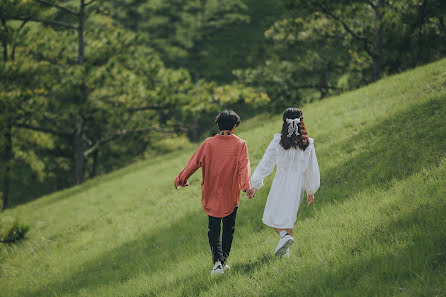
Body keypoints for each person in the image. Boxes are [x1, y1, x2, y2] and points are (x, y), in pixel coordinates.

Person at [174, 110, 255, 275]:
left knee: (214, 229)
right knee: (228, 229)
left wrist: (181, 179)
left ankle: (217, 262)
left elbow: (194, 162)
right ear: (234, 127)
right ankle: (222, 262)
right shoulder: (240, 144)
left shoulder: (208, 143)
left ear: (218, 126)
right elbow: (244, 166)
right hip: (230, 194)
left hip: (211, 192)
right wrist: (246, 187)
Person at [250, 107, 320, 257]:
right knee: (289, 217)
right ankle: (285, 250)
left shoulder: (278, 141)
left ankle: (284, 237)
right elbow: (311, 168)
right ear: (301, 122)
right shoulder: (307, 143)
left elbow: (266, 163)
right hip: (298, 185)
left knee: (271, 214)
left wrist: (255, 183)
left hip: (281, 182)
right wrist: (310, 190)